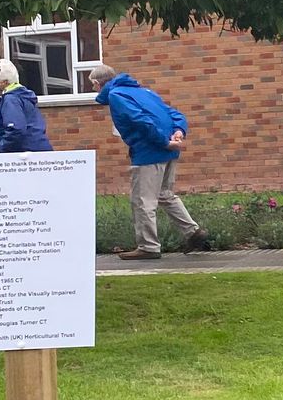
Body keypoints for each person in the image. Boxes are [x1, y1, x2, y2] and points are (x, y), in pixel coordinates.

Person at [90, 65, 209, 259]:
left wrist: (163, 141)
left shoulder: (116, 96)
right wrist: (179, 131)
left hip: (148, 152)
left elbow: (140, 121)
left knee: (142, 201)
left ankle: (148, 246)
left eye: (93, 86)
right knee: (165, 194)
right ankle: (193, 232)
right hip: (168, 152)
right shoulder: (145, 92)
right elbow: (174, 113)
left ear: (97, 83)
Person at [0, 59, 53, 152]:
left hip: (26, 155)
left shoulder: (11, 99)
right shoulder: (23, 97)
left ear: (4, 82)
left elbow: (16, 130)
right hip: (38, 151)